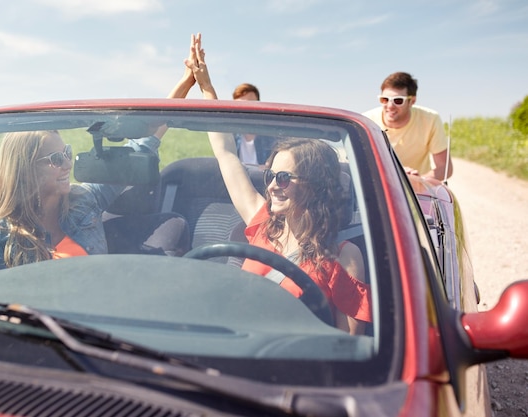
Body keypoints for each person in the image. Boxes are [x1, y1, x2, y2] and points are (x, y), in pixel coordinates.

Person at [185, 33, 371, 334]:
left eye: (283, 178)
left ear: (314, 185)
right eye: (271, 176)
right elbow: (226, 154)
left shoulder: (343, 255)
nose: (271, 186)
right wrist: (206, 87)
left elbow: (347, 343)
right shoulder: (262, 223)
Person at [0, 63, 198, 272]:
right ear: (24, 171)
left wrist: (185, 83)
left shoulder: (84, 200)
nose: (68, 164)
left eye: (67, 153)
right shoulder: (0, 234)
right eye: (56, 159)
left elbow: (142, 145)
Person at [363, 72, 453, 181]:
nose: (390, 106)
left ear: (412, 101)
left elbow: (444, 167)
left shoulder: (430, 119)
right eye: (385, 99)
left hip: (417, 190)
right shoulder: (366, 121)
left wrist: (417, 181)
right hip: (378, 185)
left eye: (398, 100)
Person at [230, 83, 276, 165]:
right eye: (239, 107)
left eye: (249, 105)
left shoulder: (272, 139)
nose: (244, 111)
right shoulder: (230, 137)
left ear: (258, 107)